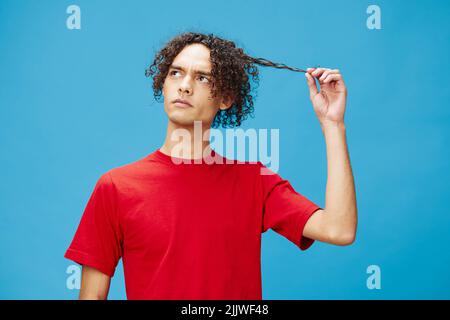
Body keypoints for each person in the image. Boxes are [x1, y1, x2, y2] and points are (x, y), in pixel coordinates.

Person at [64, 32, 357, 300]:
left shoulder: (254, 181)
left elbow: (339, 229)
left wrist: (333, 125)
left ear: (226, 99)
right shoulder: (116, 187)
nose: (185, 85)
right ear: (163, 85)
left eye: (202, 78)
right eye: (176, 73)